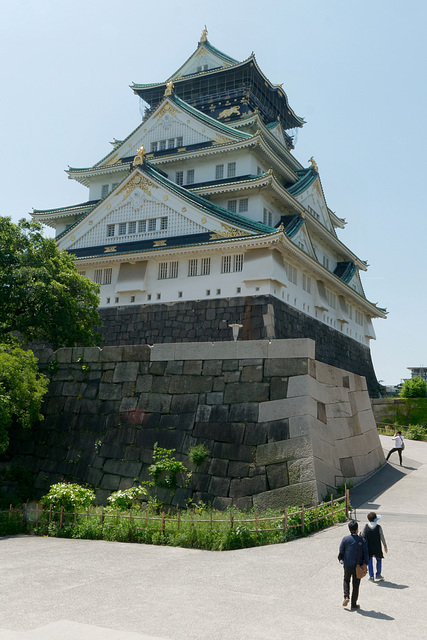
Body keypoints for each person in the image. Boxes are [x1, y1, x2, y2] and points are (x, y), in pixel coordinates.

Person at [338, 520, 369, 610]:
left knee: (346, 580)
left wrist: (342, 561)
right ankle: (353, 604)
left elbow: (341, 551)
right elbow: (366, 554)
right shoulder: (362, 540)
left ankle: (346, 596)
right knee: (356, 584)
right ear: (357, 529)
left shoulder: (345, 539)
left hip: (347, 565)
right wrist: (366, 563)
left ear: (349, 529)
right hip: (357, 566)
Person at [361, 512, 388, 581]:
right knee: (379, 560)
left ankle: (371, 576)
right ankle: (378, 574)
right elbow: (382, 537)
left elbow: (362, 536)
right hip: (377, 547)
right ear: (375, 519)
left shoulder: (366, 526)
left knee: (370, 561)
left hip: (368, 547)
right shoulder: (378, 527)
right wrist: (385, 546)